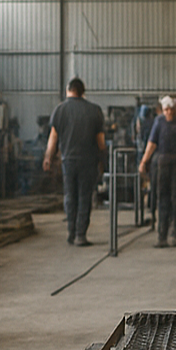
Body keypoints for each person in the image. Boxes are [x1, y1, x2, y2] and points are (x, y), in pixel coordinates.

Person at [42, 77, 106, 246]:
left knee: (70, 196)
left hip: (68, 161)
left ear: (68, 90)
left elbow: (53, 138)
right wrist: (103, 160)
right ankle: (80, 235)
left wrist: (48, 157)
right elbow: (100, 142)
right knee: (84, 197)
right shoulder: (94, 110)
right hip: (88, 161)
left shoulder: (59, 110)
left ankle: (71, 232)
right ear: (83, 92)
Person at [138, 95, 176, 247]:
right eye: (166, 110)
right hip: (163, 165)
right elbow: (151, 144)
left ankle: (175, 234)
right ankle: (161, 236)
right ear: (162, 110)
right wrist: (144, 161)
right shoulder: (159, 122)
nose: (168, 112)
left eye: (171, 110)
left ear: (174, 109)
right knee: (162, 199)